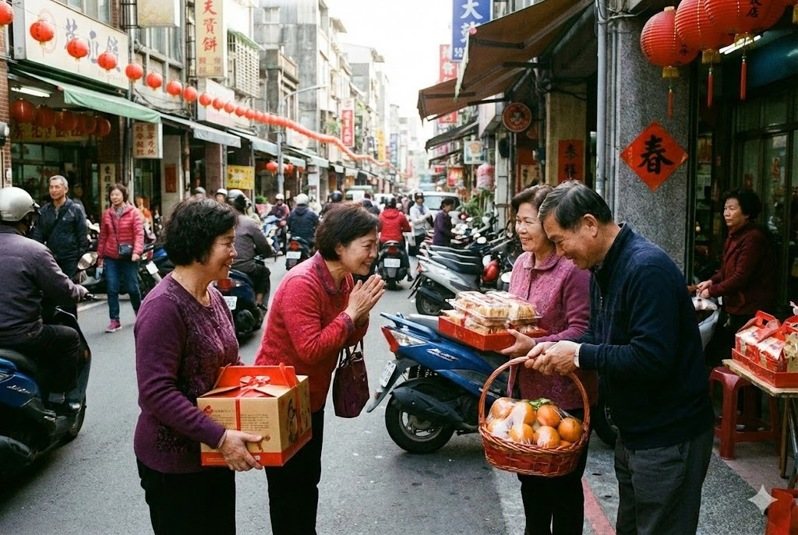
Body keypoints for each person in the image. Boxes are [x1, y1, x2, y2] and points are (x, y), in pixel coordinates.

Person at [527, 180, 714, 535]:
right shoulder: (602, 268)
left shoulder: (646, 269)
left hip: (667, 437)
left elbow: (651, 358)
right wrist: (554, 347)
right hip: (634, 433)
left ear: (589, 225)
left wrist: (579, 354)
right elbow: (598, 336)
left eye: (560, 240)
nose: (560, 252)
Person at [134, 198, 264, 535]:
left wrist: (259, 385)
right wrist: (219, 437)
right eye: (227, 243)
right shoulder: (163, 307)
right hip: (175, 466)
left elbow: (228, 362)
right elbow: (157, 393)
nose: (234, 253)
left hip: (213, 454)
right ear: (198, 246)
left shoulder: (213, 295)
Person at [254, 203, 385, 535]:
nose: (374, 254)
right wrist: (351, 313)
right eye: (368, 245)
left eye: (375, 245)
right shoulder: (303, 282)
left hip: (310, 397)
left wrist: (360, 313)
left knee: (308, 480)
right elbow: (310, 349)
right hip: (280, 399)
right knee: (288, 490)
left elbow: (348, 336)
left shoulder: (344, 280)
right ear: (340, 246)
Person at [499, 185, 595, 534]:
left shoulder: (572, 269)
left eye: (528, 221)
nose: (520, 229)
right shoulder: (521, 264)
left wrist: (536, 345)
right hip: (525, 394)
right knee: (531, 484)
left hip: (565, 398)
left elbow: (584, 330)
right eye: (517, 221)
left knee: (564, 488)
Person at [0, 186, 88, 409]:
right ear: (27, 219)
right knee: (70, 338)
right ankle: (59, 398)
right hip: (21, 335)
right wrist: (81, 291)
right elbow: (64, 290)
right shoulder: (34, 251)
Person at [696, 188, 775, 365]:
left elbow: (740, 277)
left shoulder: (753, 238)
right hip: (735, 307)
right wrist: (711, 281)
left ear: (746, 213)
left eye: (732, 208)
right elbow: (726, 270)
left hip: (750, 310)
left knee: (738, 359)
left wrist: (712, 291)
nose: (726, 213)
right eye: (725, 208)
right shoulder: (734, 236)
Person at [97, 183, 144, 333]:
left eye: (117, 194)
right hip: (111, 256)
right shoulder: (107, 214)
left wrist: (137, 252)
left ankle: (139, 314)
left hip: (129, 256)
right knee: (112, 288)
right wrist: (100, 256)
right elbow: (103, 236)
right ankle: (114, 320)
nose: (115, 197)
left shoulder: (134, 213)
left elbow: (139, 233)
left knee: (132, 287)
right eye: (112, 195)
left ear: (124, 195)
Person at [31, 175, 89, 282]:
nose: (53, 190)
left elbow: (82, 236)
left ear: (65, 189)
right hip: (50, 258)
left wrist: (79, 258)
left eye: (57, 187)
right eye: (51, 187)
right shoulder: (44, 211)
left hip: (70, 259)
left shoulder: (75, 209)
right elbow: (38, 234)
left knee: (69, 287)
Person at [227, 189, 272, 310]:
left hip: (222, 267)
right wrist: (267, 252)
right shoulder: (249, 222)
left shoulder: (218, 221)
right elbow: (264, 246)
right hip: (244, 268)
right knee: (264, 272)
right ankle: (259, 303)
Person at [378, 196, 412, 275]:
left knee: (378, 255)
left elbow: (378, 228)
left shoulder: (381, 215)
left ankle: (374, 271)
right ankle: (408, 272)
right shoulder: (400, 215)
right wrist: (401, 230)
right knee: (404, 254)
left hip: (384, 241)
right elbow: (408, 228)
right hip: (398, 241)